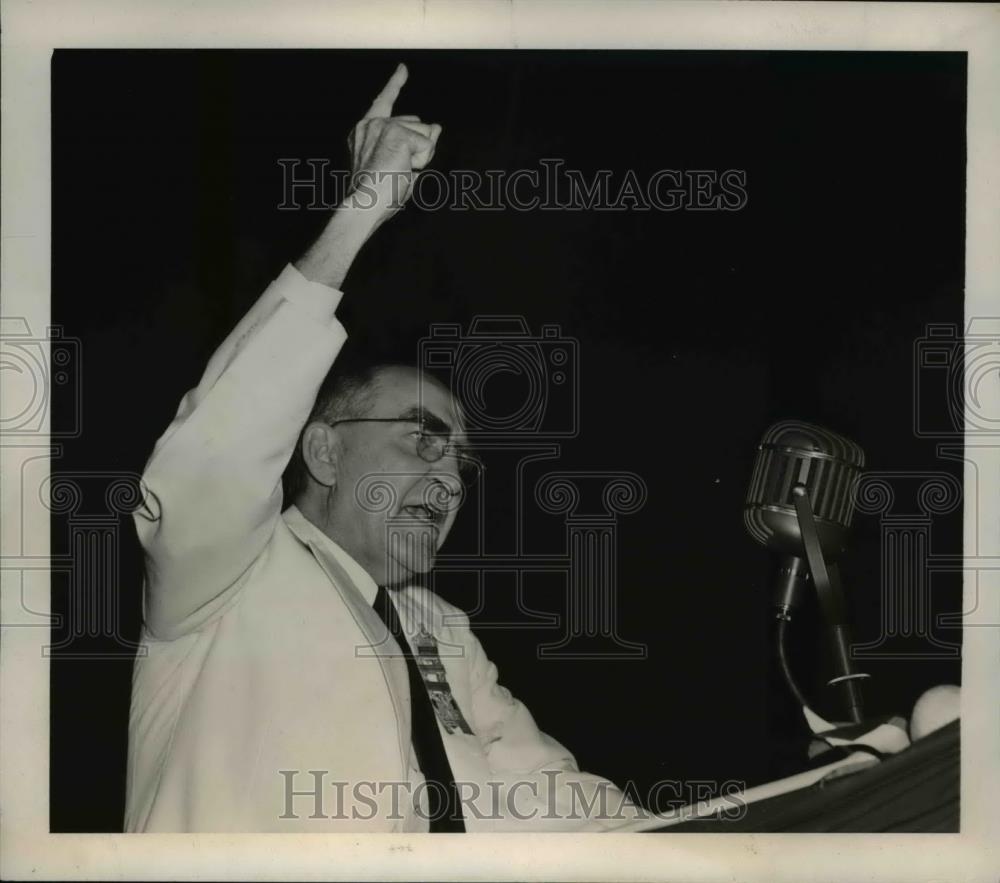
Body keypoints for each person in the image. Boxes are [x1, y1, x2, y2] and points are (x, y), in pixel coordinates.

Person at [125, 64, 639, 833]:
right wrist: (360, 212)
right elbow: (214, 447)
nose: (452, 478)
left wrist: (839, 803)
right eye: (424, 441)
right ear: (327, 453)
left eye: (462, 462)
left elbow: (556, 805)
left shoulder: (440, 630)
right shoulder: (224, 572)